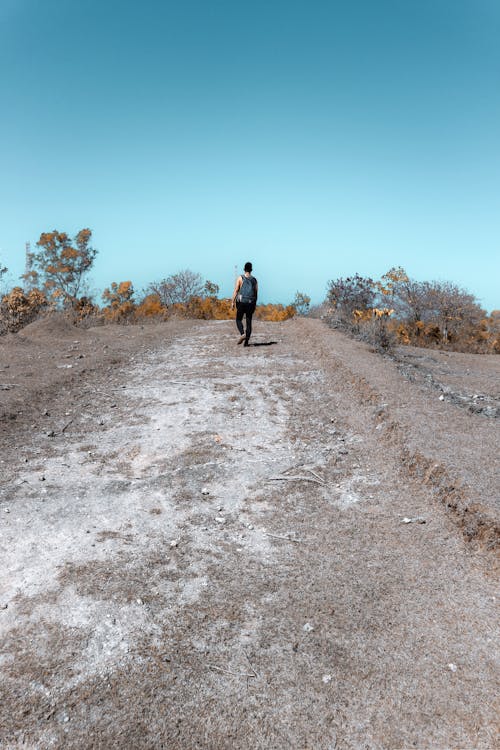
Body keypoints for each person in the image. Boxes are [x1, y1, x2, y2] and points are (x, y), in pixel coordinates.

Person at [231, 262, 258, 347]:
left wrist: (232, 302)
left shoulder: (240, 278)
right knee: (249, 322)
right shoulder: (254, 280)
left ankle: (242, 333)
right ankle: (246, 342)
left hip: (241, 302)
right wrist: (254, 304)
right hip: (250, 303)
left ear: (244, 269)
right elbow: (256, 293)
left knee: (238, 319)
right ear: (251, 270)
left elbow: (236, 290)